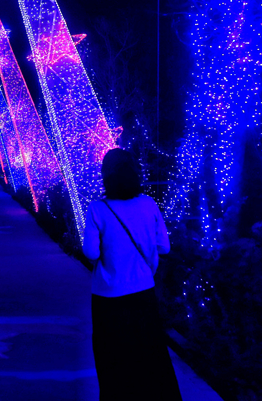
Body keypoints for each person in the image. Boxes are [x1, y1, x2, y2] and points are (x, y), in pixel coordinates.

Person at [83, 148, 181, 400]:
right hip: (143, 292)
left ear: (106, 175)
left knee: (112, 358)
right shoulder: (148, 204)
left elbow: (91, 253)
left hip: (108, 296)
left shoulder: (97, 208)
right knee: (150, 356)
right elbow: (165, 246)